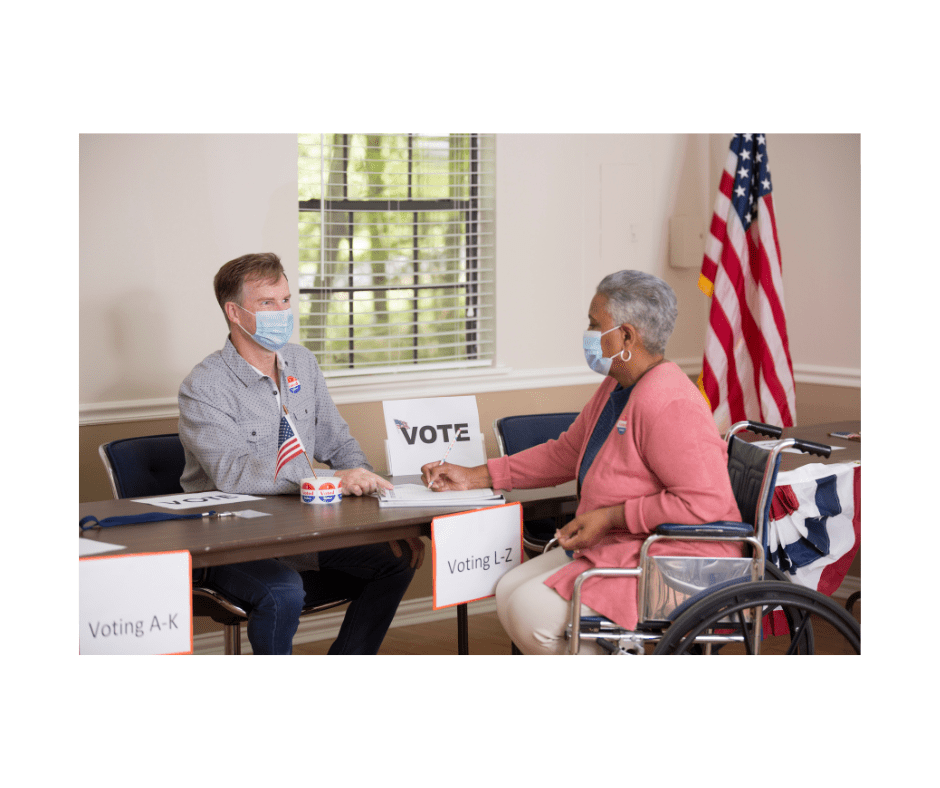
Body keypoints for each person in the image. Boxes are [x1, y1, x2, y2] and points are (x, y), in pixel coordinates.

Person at [421, 270, 742, 654]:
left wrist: (611, 516)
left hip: (673, 560)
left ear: (626, 336)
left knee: (529, 612)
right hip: (624, 545)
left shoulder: (671, 402)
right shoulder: (618, 386)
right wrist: (477, 476)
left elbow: (703, 503)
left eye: (595, 324)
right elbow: (566, 451)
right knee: (506, 589)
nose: (588, 333)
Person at [179, 252, 423, 654]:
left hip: (302, 528)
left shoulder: (302, 364)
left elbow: (338, 444)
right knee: (284, 591)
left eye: (286, 300)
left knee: (397, 557)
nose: (282, 312)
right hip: (230, 541)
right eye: (267, 303)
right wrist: (327, 480)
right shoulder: (204, 385)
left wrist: (371, 492)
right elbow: (234, 472)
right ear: (234, 313)